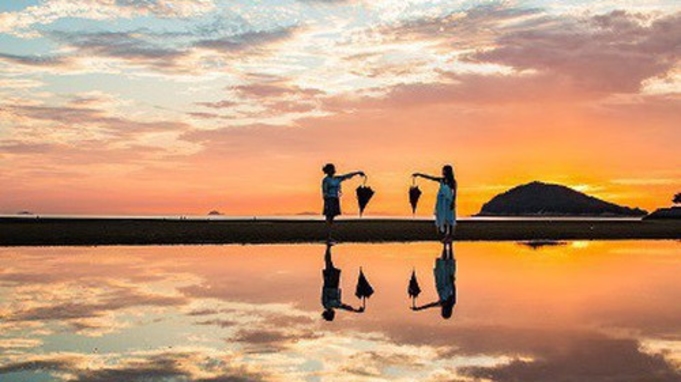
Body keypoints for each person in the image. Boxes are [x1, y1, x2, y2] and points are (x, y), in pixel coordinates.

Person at [412, 165, 457, 243]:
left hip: (448, 201)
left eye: (444, 170)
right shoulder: (441, 180)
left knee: (450, 219)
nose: (442, 172)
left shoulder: (452, 181)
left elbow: (455, 193)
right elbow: (430, 177)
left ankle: (449, 236)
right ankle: (445, 236)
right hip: (441, 202)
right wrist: (419, 174)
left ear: (448, 171)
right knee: (442, 218)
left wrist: (453, 202)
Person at [322, 163, 365, 243]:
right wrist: (326, 201)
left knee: (332, 219)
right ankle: (328, 237)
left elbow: (347, 176)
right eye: (331, 169)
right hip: (329, 199)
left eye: (333, 169)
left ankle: (329, 237)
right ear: (328, 171)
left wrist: (358, 172)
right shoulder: (326, 180)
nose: (333, 170)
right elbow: (324, 191)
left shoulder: (337, 178)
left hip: (335, 199)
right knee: (329, 218)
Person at [411, 244, 457, 319]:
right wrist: (452, 282)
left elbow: (429, 305)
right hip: (447, 284)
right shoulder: (451, 302)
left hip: (441, 283)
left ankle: (446, 245)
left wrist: (418, 308)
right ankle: (449, 245)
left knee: (444, 264)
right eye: (443, 312)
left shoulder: (442, 303)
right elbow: (454, 291)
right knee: (449, 263)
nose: (442, 310)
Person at [321, 244, 364, 321]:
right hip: (334, 285)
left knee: (328, 264)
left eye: (332, 315)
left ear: (329, 314)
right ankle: (328, 247)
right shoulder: (336, 306)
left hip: (329, 284)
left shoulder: (326, 304)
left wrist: (328, 281)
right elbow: (346, 307)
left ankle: (328, 247)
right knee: (329, 264)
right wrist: (356, 311)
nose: (334, 314)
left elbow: (324, 292)